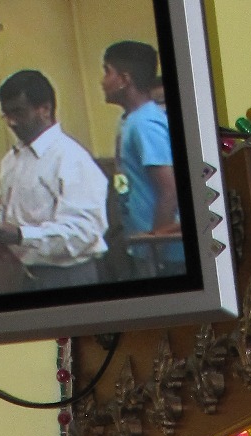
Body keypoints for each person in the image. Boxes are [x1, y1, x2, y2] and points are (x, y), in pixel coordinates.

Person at [0, 70, 107, 290]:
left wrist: (21, 236)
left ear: (45, 109)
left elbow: (84, 232)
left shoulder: (71, 158)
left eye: (18, 112)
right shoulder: (11, 161)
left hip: (68, 274)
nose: (12, 122)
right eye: (6, 115)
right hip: (29, 272)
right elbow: (14, 222)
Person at [101, 39, 183, 272]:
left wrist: (156, 245)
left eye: (107, 72)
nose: (102, 81)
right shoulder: (131, 120)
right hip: (141, 244)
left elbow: (169, 191)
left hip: (164, 254)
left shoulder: (145, 125)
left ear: (124, 80)